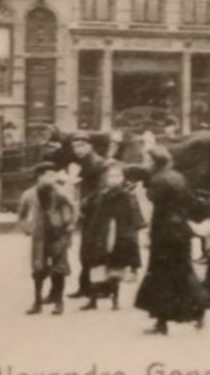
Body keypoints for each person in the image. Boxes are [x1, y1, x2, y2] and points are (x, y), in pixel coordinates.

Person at [133, 147, 207, 334]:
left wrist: (141, 194)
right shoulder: (178, 177)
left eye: (147, 161)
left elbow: (152, 207)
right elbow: (190, 203)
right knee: (183, 272)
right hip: (180, 231)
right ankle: (197, 310)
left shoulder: (156, 180)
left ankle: (162, 322)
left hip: (164, 234)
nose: (145, 164)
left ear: (156, 162)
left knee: (160, 276)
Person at [78, 162, 142, 311]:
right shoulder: (101, 195)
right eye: (111, 176)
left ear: (123, 178)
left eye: (117, 176)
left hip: (119, 235)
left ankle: (115, 300)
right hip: (101, 234)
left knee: (115, 267)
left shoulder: (127, 196)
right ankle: (93, 300)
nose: (114, 179)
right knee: (97, 265)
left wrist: (130, 238)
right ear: (106, 178)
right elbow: (93, 213)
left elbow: (133, 220)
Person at [17, 163, 76, 315]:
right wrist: (27, 229)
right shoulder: (29, 195)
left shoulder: (61, 192)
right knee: (38, 269)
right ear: (40, 177)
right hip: (40, 237)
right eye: (48, 175)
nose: (52, 179)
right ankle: (37, 303)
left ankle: (59, 303)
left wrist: (70, 225)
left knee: (59, 269)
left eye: (54, 175)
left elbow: (73, 208)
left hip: (58, 235)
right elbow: (22, 215)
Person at [64, 133, 109, 298]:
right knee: (85, 250)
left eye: (81, 145)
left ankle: (99, 288)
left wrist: (82, 204)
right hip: (88, 212)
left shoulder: (97, 163)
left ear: (90, 146)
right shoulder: (83, 163)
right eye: (75, 147)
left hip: (97, 213)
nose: (78, 150)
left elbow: (101, 190)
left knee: (95, 251)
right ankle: (85, 286)